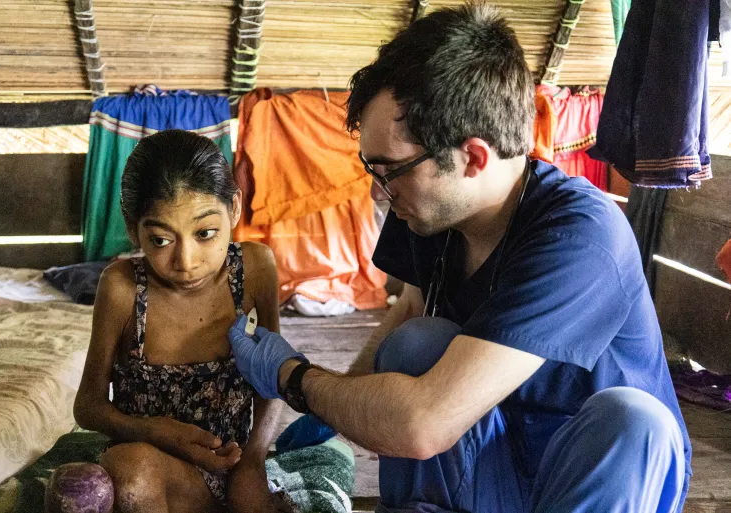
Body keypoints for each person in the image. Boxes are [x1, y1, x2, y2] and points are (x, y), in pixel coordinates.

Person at [227, 3, 692, 513]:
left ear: (472, 156)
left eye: (391, 170)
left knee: (631, 418)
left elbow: (424, 425)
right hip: (500, 457)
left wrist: (296, 378)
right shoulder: (430, 209)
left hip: (593, 477)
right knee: (417, 344)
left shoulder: (581, 234)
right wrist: (336, 406)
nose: (382, 191)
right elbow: (409, 311)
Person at [73, 129, 293, 513]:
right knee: (129, 471)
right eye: (160, 240)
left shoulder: (255, 268)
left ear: (235, 210)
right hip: (153, 474)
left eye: (206, 233)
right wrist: (156, 432)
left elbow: (273, 377)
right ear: (132, 226)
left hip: (234, 465)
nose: (186, 262)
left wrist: (254, 461)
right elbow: (88, 405)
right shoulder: (123, 288)